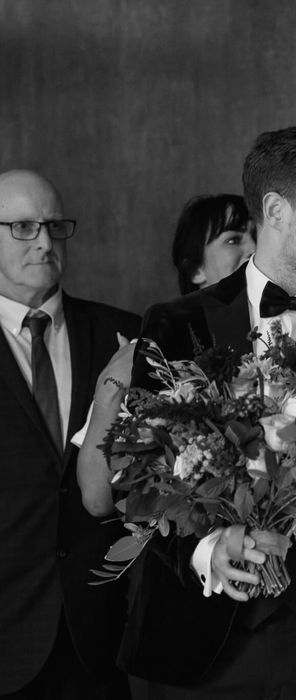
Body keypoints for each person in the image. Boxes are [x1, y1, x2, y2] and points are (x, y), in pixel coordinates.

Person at [117, 125, 296, 700]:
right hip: (204, 641)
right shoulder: (178, 323)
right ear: (276, 210)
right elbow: (138, 473)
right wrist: (207, 548)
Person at [0, 170, 140, 698]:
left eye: (54, 226)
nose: (43, 241)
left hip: (100, 633)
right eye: (22, 226)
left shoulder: (123, 335)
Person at [77, 193, 256, 516]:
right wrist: (111, 385)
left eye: (258, 237)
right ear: (196, 269)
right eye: (233, 240)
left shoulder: (289, 341)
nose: (253, 250)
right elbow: (96, 497)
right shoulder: (154, 351)